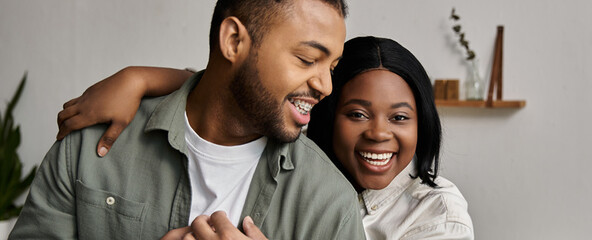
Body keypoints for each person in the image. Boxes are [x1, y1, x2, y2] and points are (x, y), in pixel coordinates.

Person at [56, 36, 475, 239]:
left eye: (400, 117)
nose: (379, 132)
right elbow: (241, 91)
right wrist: (139, 77)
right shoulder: (298, 164)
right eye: (357, 113)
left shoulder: (439, 215)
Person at [10, 0, 367, 239]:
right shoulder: (91, 145)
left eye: (332, 67)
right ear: (233, 41)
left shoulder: (330, 206)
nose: (325, 85)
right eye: (307, 59)